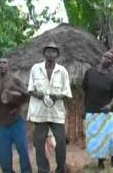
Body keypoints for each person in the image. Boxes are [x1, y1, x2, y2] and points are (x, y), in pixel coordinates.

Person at [27, 42, 72, 173]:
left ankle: (60, 169)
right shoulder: (35, 68)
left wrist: (57, 96)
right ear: (44, 53)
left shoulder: (62, 71)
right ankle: (43, 169)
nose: (50, 54)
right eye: (48, 51)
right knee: (39, 142)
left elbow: (67, 93)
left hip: (56, 112)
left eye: (53, 51)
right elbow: (30, 90)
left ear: (57, 54)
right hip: (40, 112)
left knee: (60, 141)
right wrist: (38, 95)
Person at [0, 58, 31, 173]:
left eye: (4, 63)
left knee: (22, 149)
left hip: (16, 119)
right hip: (2, 121)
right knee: (4, 154)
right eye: (0, 63)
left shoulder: (15, 79)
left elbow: (27, 96)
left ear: (8, 65)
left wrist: (14, 89)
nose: (2, 65)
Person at [82, 49, 113, 169]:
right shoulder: (89, 73)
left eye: (110, 58)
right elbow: (85, 91)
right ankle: (100, 162)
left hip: (108, 113)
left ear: (112, 63)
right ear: (101, 57)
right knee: (96, 137)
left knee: (110, 137)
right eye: (105, 56)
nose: (107, 59)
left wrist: (109, 105)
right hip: (92, 111)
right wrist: (84, 108)